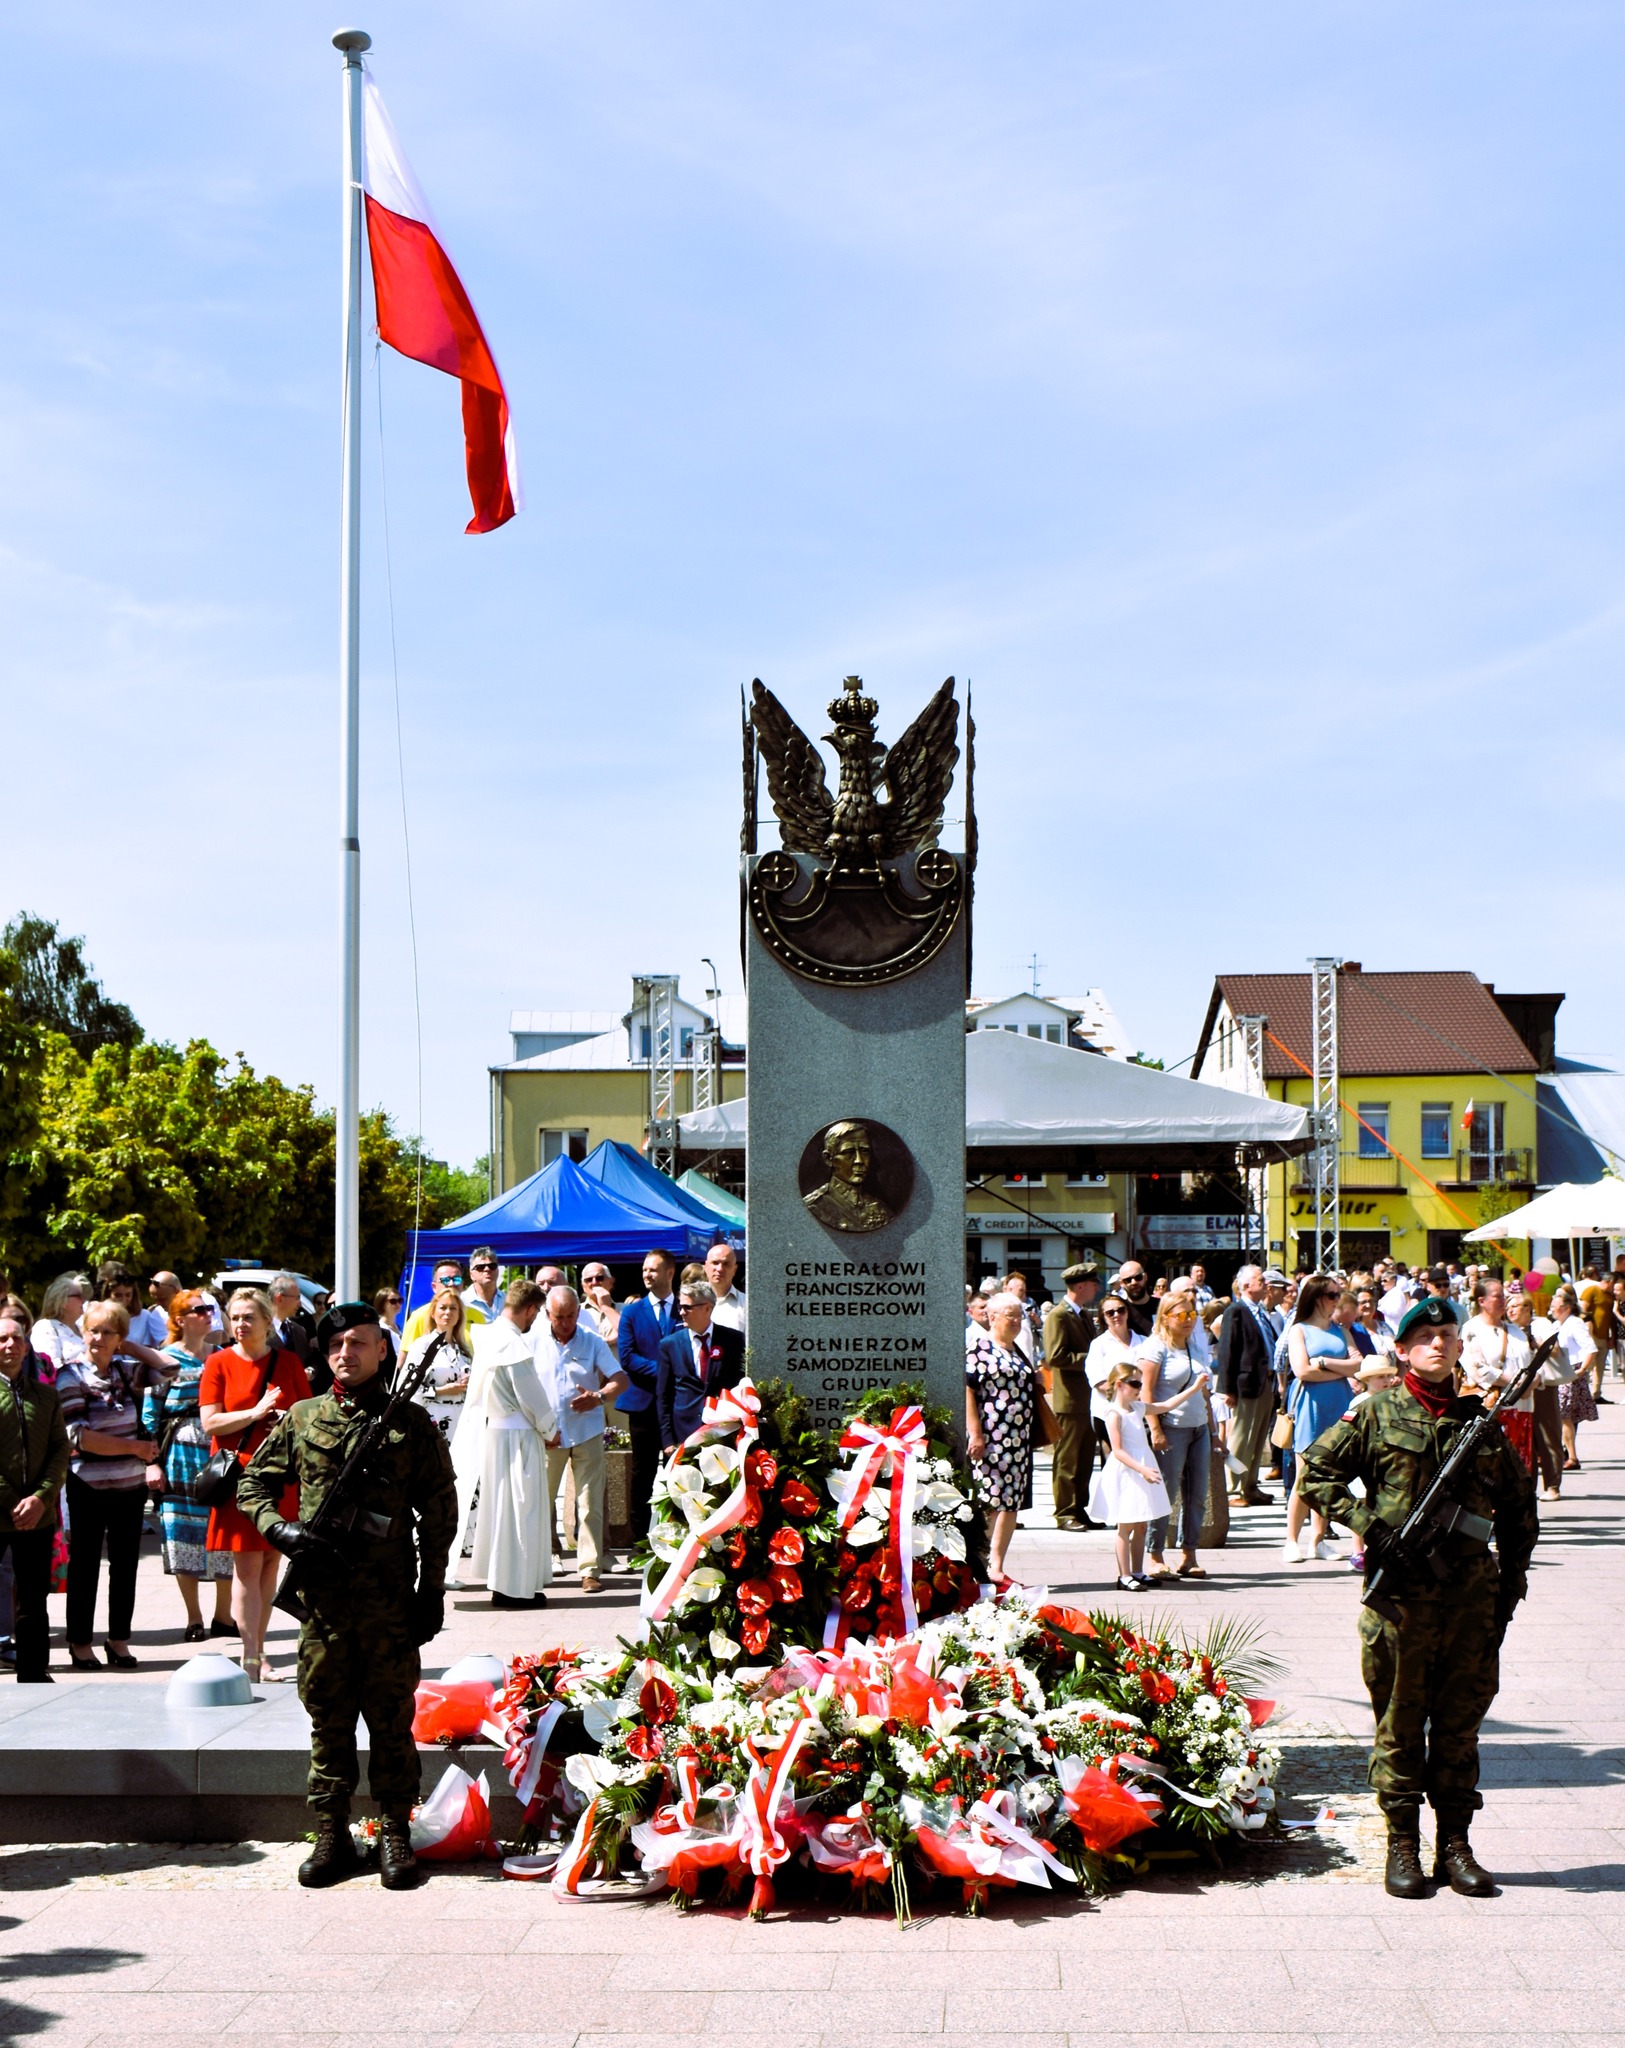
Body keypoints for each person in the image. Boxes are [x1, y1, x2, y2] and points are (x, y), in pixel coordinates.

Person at [1298, 1297, 1538, 1900]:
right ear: (1402, 1351)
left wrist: (1510, 1584)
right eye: (1425, 1337)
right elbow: (1316, 1474)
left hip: (1470, 1602)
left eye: (1447, 1335)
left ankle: (1455, 1844)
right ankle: (1402, 1843)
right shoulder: (1376, 1413)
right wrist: (1371, 1528)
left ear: (1459, 1347)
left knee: (1460, 1726)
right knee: (1400, 1724)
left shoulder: (1481, 1424)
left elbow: (1518, 1509)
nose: (1438, 1344)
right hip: (1401, 1602)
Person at [239, 1299, 457, 1891]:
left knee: (391, 1719)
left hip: (389, 1602)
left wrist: (431, 1589)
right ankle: (331, 1832)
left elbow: (439, 1514)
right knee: (328, 1720)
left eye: (358, 1343)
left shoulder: (410, 1423)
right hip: (324, 1604)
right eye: (336, 1345)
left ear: (382, 1350)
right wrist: (280, 1530)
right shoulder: (303, 1418)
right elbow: (253, 1483)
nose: (345, 1354)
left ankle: (394, 1831)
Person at [198, 1288, 312, 1682]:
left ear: (267, 1321)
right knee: (247, 1568)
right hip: (240, 1479)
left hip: (281, 1477)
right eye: (235, 1317)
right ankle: (251, 1657)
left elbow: (307, 1416)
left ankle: (259, 1651)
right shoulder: (218, 1362)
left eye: (249, 1317)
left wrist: (284, 1418)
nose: (241, 1324)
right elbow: (210, 1423)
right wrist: (256, 1412)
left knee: (270, 1566)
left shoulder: (288, 1362)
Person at [55, 1301, 160, 1670]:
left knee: (125, 1566)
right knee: (85, 1566)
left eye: (107, 1332)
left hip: (130, 1486)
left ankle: (118, 1641)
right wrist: (135, 1448)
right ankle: (80, 1642)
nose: (98, 1338)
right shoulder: (70, 1375)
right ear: (83, 1333)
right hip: (88, 1484)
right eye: (92, 1330)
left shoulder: (126, 1371)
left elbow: (172, 1369)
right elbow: (78, 1437)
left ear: (120, 1338)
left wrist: (130, 1348)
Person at [143, 1289, 235, 1641]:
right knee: (182, 1533)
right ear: (179, 1320)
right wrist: (152, 1463)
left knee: (224, 1532)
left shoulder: (223, 1356)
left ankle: (224, 1616)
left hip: (219, 1454)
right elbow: (150, 1415)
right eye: (199, 1310)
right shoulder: (164, 1359)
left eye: (210, 1308)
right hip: (179, 1456)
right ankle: (194, 1618)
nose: (207, 1313)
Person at [468, 1279, 557, 1608]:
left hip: (496, 1434)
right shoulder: (512, 1345)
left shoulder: (489, 1335)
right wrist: (550, 1429)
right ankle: (515, 1590)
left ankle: (505, 1584)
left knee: (503, 1512)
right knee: (521, 1511)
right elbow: (531, 1396)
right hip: (518, 1437)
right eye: (537, 1313)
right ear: (530, 1309)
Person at [534, 1285, 626, 1595]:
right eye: (559, 1317)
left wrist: (598, 1396)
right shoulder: (533, 1340)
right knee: (541, 1502)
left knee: (590, 1504)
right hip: (548, 1434)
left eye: (571, 1316)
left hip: (587, 1431)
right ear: (548, 1314)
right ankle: (544, 1560)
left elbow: (620, 1378)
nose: (565, 1323)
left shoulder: (592, 1339)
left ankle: (589, 1570)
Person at [0, 1299, 69, 1682]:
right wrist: (14, 1501)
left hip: (37, 1515)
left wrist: (41, 1498)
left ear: (27, 1347)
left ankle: (33, 1670)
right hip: (3, 1510)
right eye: (2, 1339)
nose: (10, 1345)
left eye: (16, 1339)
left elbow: (60, 1450)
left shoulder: (45, 1396)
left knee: (32, 1598)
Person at [1279, 1276, 1360, 1563]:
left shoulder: (1341, 1330)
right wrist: (1342, 1370)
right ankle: (1291, 1540)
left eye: (1338, 1294)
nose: (1337, 1300)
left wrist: (1325, 1363)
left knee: (1330, 1476)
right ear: (1316, 1297)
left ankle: (1318, 1539)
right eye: (1332, 1295)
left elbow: (1359, 1363)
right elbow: (1302, 1371)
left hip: (1338, 1403)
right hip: (1310, 1405)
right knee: (1305, 1475)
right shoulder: (1299, 1330)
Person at [965, 1292, 1038, 1587]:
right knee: (991, 1501)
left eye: (1020, 1315)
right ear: (992, 1317)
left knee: (1011, 1502)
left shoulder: (1016, 1350)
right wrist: (975, 1433)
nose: (1017, 1321)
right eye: (1011, 1316)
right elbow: (968, 1391)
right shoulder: (980, 1349)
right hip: (993, 1440)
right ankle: (979, 1564)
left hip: (1019, 1440)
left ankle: (997, 1566)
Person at [1138, 1292, 1212, 1581]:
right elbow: (1146, 1391)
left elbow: (1204, 1392)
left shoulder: (1194, 1346)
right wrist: (1155, 1429)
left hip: (1199, 1427)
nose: (1188, 1320)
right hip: (1171, 1428)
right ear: (1165, 1317)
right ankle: (1155, 1556)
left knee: (1197, 1495)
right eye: (1181, 1315)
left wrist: (1213, 1430)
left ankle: (1189, 1555)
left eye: (1191, 1314)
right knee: (1165, 1494)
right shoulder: (1155, 1347)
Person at [1087, 1360, 1171, 1590]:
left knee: (1142, 1524)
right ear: (1119, 1384)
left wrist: (1194, 1388)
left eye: (1140, 1383)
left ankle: (1137, 1571)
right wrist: (1142, 1469)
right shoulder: (1113, 1414)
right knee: (1125, 1526)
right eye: (1135, 1383)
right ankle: (1124, 1576)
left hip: (1142, 1468)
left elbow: (1165, 1405)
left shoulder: (1138, 1408)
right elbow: (1118, 1450)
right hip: (1127, 1473)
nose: (1139, 1388)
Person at [617, 1249, 680, 1544]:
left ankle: (676, 1536)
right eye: (644, 1269)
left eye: (653, 1269)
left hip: (678, 1407)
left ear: (670, 1273)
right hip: (643, 1404)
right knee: (641, 1475)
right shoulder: (632, 1312)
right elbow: (628, 1357)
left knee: (677, 1472)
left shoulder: (685, 1308)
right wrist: (666, 1371)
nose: (646, 1274)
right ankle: (639, 1541)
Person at [1042, 1263, 1100, 1532]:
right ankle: (1065, 1512)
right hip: (1070, 1401)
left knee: (1085, 1460)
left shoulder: (1082, 1314)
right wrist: (1093, 1359)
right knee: (1067, 1460)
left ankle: (1079, 1509)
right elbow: (1055, 1356)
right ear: (1080, 1286)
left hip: (1086, 1399)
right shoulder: (1059, 1316)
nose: (1096, 1288)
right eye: (1093, 1284)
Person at [1215, 1264, 1279, 1507]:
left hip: (1265, 1382)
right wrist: (1228, 1389)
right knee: (1241, 1438)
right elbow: (1227, 1350)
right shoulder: (1236, 1311)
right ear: (1245, 1286)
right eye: (1260, 1280)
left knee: (1258, 1437)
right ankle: (1233, 1489)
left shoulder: (1260, 1312)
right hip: (1246, 1385)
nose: (1265, 1284)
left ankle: (1250, 1486)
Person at [656, 1278, 745, 1451]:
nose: (682, 1312)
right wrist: (667, 1440)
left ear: (707, 1308)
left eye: (687, 1307)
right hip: (683, 1432)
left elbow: (738, 1385)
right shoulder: (669, 1345)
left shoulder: (733, 1340)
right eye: (680, 1307)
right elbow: (663, 1395)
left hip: (723, 1430)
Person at [1508, 1288, 1566, 1502]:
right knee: (1525, 1437)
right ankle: (1527, 1484)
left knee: (1548, 1434)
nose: (1510, 1310)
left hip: (1542, 1387)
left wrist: (1534, 1341)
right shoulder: (1507, 1329)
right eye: (1508, 1307)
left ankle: (1552, 1485)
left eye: (1515, 1306)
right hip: (1519, 1388)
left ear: (1528, 1308)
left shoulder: (1541, 1324)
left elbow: (1555, 1350)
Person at [402, 1289, 474, 1444]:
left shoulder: (464, 1350)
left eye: (453, 1308)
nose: (448, 1312)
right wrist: (441, 1391)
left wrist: (471, 1382)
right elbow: (407, 1389)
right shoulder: (422, 1346)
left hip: (462, 1423)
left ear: (459, 1315)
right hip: (432, 1420)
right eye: (443, 1307)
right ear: (433, 1313)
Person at [1549, 1285, 1598, 1471]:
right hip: (1561, 1371)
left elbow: (1590, 1348)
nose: (1552, 1309)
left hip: (1573, 1371)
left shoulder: (1575, 1323)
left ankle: (1571, 1456)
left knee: (1564, 1415)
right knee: (1565, 1416)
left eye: (1555, 1306)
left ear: (1566, 1308)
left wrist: (1582, 1369)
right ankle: (1566, 1453)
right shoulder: (1557, 1325)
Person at [93, 1261, 172, 1371]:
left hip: (135, 1371)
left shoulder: (143, 1316)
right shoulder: (97, 1316)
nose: (123, 1300)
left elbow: (148, 1349)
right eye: (118, 1295)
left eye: (128, 1295)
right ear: (108, 1294)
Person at [402, 1263, 487, 1346]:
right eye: (445, 1280)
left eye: (457, 1280)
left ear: (462, 1285)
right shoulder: (418, 1316)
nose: (451, 1284)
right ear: (434, 1287)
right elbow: (405, 1354)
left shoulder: (477, 1316)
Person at [30, 1273, 90, 1382]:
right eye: (78, 1296)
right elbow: (51, 1368)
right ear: (62, 1301)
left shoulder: (83, 1327)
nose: (83, 1300)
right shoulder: (46, 1327)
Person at [269, 1275, 313, 1365]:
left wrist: (310, 1370)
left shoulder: (299, 1330)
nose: (300, 1304)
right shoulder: (259, 1331)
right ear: (279, 1298)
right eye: (297, 1298)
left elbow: (309, 1361)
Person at [704, 1244, 747, 1335]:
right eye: (715, 1263)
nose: (720, 1269)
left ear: (734, 1269)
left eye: (726, 1264)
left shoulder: (747, 1305)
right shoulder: (690, 1303)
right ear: (706, 1266)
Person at [578, 1264, 621, 1347]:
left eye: (599, 1278)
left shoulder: (626, 1309)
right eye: (589, 1280)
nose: (594, 1282)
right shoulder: (577, 1311)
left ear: (611, 1282)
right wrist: (608, 1340)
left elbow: (629, 1333)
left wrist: (606, 1307)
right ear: (583, 1285)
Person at [1113, 1262, 1156, 1339]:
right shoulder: (1119, 1311)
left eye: (1138, 1277)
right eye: (1128, 1280)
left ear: (1145, 1277)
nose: (1134, 1282)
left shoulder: (1162, 1306)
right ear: (1121, 1283)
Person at [462, 1247, 505, 1324]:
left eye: (492, 1266)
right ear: (471, 1275)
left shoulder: (508, 1301)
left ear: (498, 1271)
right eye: (480, 1267)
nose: (487, 1269)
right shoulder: (462, 1302)